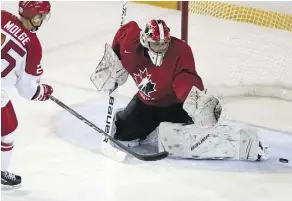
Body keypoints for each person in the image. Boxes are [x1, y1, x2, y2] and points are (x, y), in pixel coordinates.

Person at [92, 19, 268, 161]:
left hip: (175, 106)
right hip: (146, 103)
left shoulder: (180, 51)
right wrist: (114, 60)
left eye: (164, 44)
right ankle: (151, 128)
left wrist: (193, 98)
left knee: (188, 141)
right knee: (123, 135)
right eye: (156, 44)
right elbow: (124, 32)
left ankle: (243, 142)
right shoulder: (130, 45)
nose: (161, 48)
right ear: (145, 41)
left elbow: (185, 76)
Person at [1, 1, 53, 190]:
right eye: (40, 16)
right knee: (7, 131)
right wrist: (43, 92)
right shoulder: (33, 46)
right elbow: (27, 90)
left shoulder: (2, 16)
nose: (42, 20)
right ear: (32, 15)